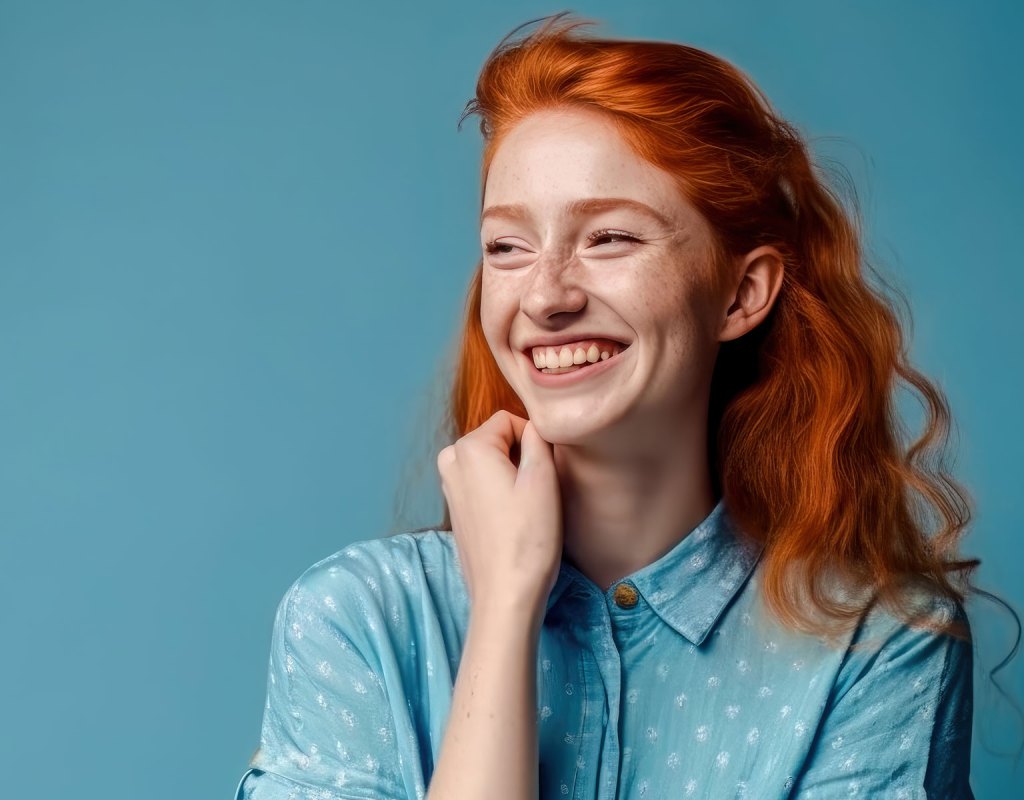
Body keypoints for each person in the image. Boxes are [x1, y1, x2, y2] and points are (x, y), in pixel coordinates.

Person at [235, 13, 981, 799]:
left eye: (611, 238)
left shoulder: (882, 647)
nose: (547, 296)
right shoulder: (357, 621)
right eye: (508, 247)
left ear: (742, 293)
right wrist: (506, 608)